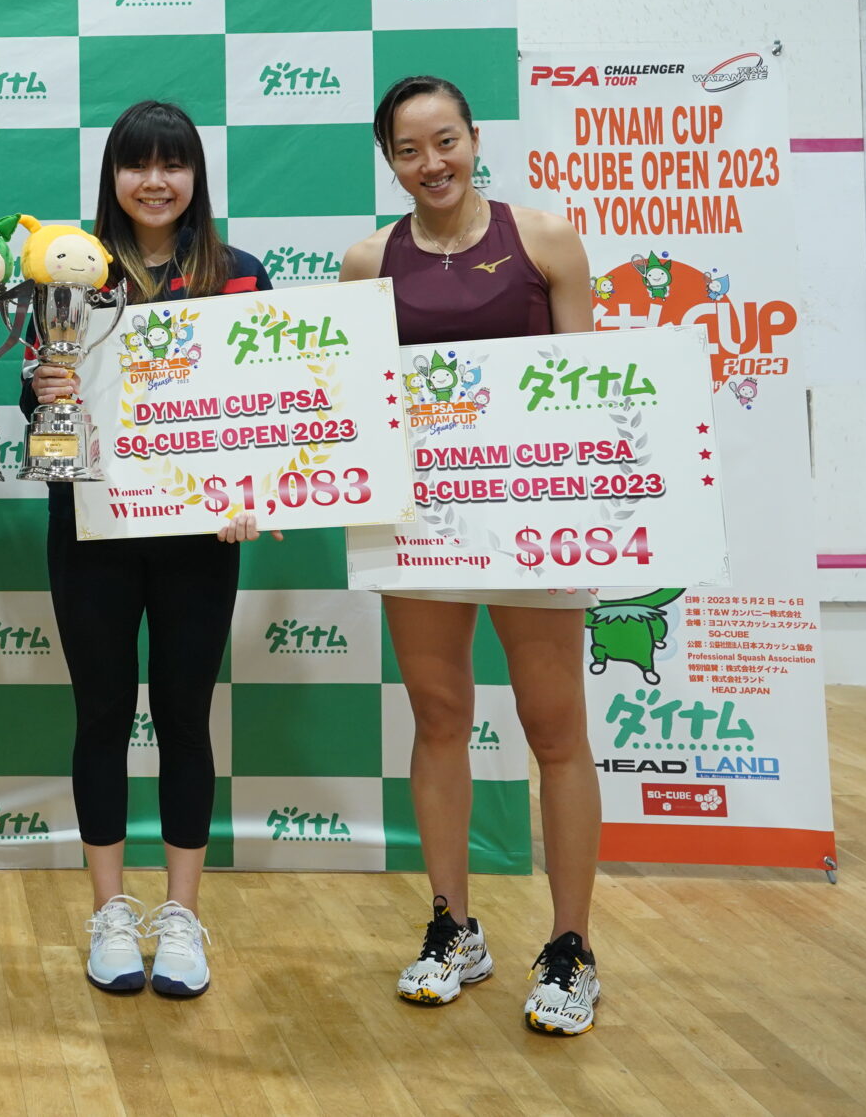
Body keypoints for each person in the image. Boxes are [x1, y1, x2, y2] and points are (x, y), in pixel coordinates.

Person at [341, 73, 604, 1036]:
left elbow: (589, 389)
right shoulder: (367, 259)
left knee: (553, 728)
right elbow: (355, 407)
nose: (430, 164)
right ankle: (455, 926)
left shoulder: (545, 240)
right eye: (408, 151)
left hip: (535, 526)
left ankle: (572, 945)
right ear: (390, 161)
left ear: (473, 137)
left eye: (443, 141)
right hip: (423, 527)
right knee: (440, 716)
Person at [23, 100, 271, 999]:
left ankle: (182, 917)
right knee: (100, 715)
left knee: (183, 718)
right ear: (112, 178)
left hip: (201, 537)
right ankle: (110, 913)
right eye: (137, 165)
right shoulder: (70, 272)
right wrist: (42, 383)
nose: (155, 182)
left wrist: (250, 493)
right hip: (92, 526)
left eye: (174, 165)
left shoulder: (241, 275)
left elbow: (261, 405)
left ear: (197, 176)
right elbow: (35, 406)